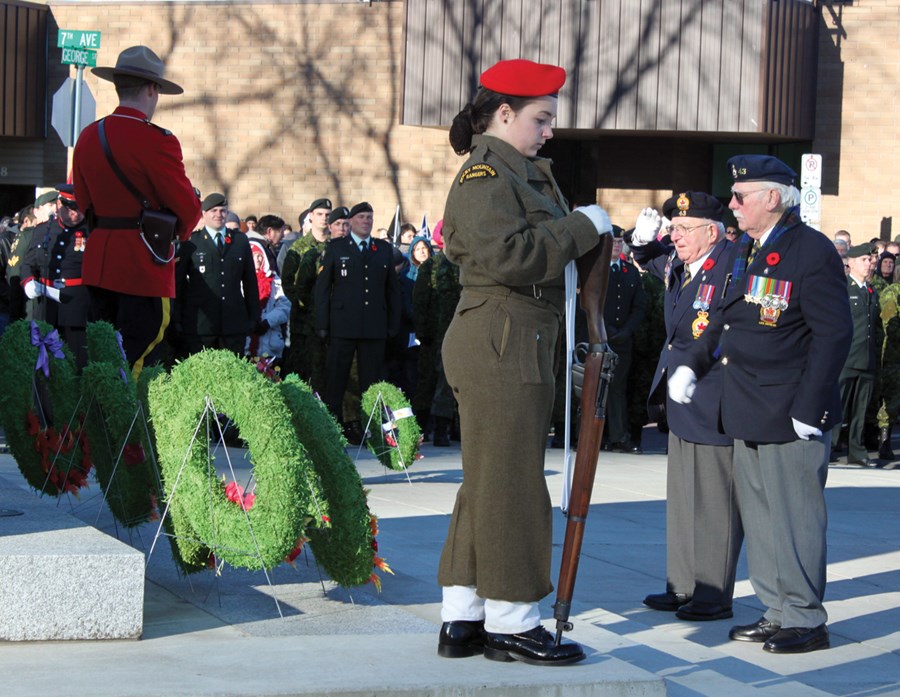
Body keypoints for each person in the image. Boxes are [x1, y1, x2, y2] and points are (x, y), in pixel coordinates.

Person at [436, 58, 613, 666]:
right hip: (502, 336)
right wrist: (580, 228)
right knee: (511, 482)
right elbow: (511, 257)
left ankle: (464, 615)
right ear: (504, 113)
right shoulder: (488, 174)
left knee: (487, 481)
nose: (549, 130)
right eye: (540, 118)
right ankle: (512, 618)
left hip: (512, 336)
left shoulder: (516, 170)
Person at [669, 154, 852, 654]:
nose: (733, 205)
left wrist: (810, 408)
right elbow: (727, 320)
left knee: (794, 519)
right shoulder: (750, 249)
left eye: (740, 197)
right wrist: (692, 364)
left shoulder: (809, 250)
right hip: (748, 407)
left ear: (772, 198)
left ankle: (805, 618)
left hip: (790, 412)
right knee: (764, 518)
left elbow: (833, 334)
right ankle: (777, 611)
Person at [629, 192, 743, 622]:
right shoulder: (683, 262)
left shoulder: (731, 266)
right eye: (673, 228)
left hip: (712, 397)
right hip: (679, 400)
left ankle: (713, 593)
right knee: (682, 497)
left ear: (711, 232)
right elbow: (647, 255)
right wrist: (641, 239)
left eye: (683, 228)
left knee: (715, 502)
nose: (674, 236)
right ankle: (682, 585)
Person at [72, 45, 201, 377]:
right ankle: (125, 427)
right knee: (136, 356)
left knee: (102, 355)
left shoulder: (88, 136)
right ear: (151, 89)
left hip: (100, 263)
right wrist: (179, 235)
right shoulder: (157, 141)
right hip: (141, 264)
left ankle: (94, 424)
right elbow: (186, 207)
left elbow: (84, 203)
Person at [314, 201, 400, 431]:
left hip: (373, 326)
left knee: (371, 383)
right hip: (342, 325)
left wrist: (393, 323)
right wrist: (322, 324)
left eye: (369, 217)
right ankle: (331, 429)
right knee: (336, 381)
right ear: (351, 221)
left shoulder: (382, 250)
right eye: (361, 217)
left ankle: (371, 429)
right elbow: (322, 290)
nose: (366, 221)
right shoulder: (336, 248)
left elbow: (392, 290)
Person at [173, 193, 259, 356]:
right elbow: (179, 283)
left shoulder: (239, 241)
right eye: (213, 211)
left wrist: (253, 316)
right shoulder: (192, 242)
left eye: (222, 210)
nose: (218, 215)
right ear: (204, 214)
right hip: (201, 324)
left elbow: (249, 282)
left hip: (233, 323)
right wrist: (177, 318)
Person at [20, 184, 92, 368]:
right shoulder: (43, 230)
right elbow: (28, 263)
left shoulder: (92, 232)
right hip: (46, 306)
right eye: (70, 208)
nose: (75, 213)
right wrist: (28, 282)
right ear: (60, 204)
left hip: (76, 306)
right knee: (44, 364)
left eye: (80, 209)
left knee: (76, 362)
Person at [831, 244, 882, 467]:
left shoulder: (871, 291)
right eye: (863, 260)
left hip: (866, 359)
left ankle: (857, 451)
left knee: (860, 409)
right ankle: (830, 446)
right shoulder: (842, 288)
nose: (869, 264)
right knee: (837, 406)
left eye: (870, 260)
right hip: (847, 358)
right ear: (850, 262)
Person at [602, 226, 646, 453]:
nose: (617, 245)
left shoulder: (630, 272)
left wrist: (626, 330)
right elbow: (588, 304)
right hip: (599, 338)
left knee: (618, 389)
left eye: (620, 242)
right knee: (595, 390)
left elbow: (639, 306)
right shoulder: (596, 270)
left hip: (622, 341)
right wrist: (606, 330)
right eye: (613, 241)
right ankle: (593, 437)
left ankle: (619, 436)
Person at [246, 237, 290, 361]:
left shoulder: (273, 279)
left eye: (259, 255)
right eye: (253, 255)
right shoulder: (238, 280)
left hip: (271, 344)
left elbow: (284, 306)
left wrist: (267, 321)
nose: (257, 259)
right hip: (247, 344)